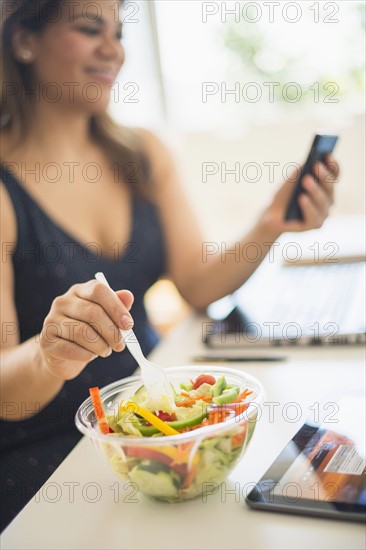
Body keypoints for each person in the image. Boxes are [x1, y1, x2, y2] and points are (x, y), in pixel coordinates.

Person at [0, 0, 339, 531]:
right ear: (23, 41)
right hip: (46, 455)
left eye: (118, 31)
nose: (114, 49)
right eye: (90, 29)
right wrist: (50, 354)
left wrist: (270, 223)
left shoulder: (142, 152)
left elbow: (198, 285)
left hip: (157, 428)